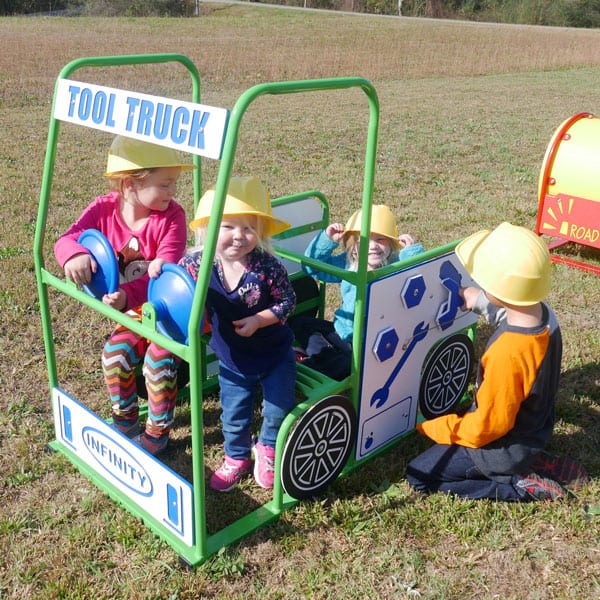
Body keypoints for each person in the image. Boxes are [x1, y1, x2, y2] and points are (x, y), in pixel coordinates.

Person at [406, 222, 588, 502]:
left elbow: (487, 427)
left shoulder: (509, 354)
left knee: (419, 474)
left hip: (498, 447)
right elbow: (507, 310)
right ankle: (529, 460)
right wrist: (474, 298)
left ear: (501, 290)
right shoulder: (544, 317)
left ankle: (514, 484)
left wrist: (435, 427)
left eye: (483, 282)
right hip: (533, 429)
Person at [142, 176, 297, 488]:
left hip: (275, 355)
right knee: (234, 413)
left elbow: (288, 300)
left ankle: (266, 447)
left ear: (260, 232)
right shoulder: (198, 263)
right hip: (232, 358)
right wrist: (160, 267)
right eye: (228, 227)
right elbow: (177, 286)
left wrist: (260, 320)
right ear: (208, 228)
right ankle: (236, 456)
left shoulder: (267, 267)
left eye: (249, 228)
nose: (239, 236)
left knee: (279, 407)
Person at [54, 135, 193, 454]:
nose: (173, 192)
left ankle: (157, 433)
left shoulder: (172, 217)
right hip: (132, 312)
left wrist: (127, 297)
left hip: (164, 311)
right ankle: (126, 420)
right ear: (130, 185)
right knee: (114, 358)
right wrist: (73, 254)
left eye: (174, 184)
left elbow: (165, 276)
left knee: (158, 366)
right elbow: (67, 238)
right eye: (165, 184)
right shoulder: (103, 209)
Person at [292, 204, 424, 380]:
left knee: (350, 366)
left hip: (370, 343)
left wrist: (410, 252)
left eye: (380, 239)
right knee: (301, 323)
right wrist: (327, 239)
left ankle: (314, 363)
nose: (373, 246)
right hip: (342, 330)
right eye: (364, 240)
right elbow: (312, 267)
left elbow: (418, 277)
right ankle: (320, 357)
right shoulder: (349, 263)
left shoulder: (395, 265)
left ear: (392, 243)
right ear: (353, 247)